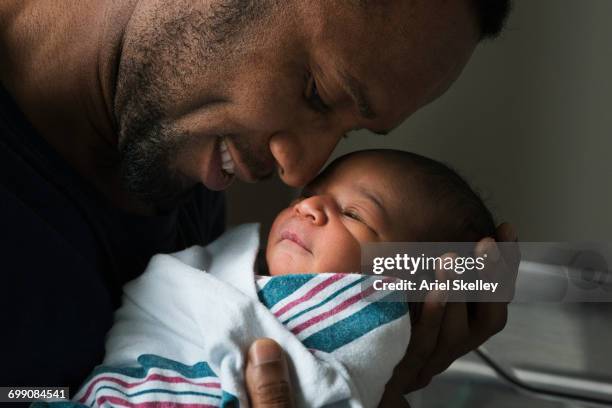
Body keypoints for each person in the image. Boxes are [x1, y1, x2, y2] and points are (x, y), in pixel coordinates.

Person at [0, 0, 518, 406]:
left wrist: (342, 375)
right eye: (316, 92)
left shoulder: (185, 176)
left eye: (348, 133)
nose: (297, 173)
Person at [50, 149, 504, 408]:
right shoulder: (218, 266)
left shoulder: (364, 319)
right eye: (310, 196)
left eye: (351, 213)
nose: (308, 206)